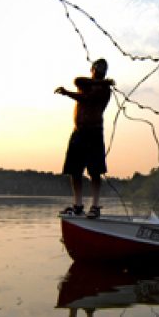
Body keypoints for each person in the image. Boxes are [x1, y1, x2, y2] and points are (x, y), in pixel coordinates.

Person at [55, 58, 113, 218]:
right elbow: (77, 80)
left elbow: (87, 99)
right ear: (92, 69)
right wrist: (102, 82)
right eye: (98, 66)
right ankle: (78, 205)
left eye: (104, 67)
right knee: (75, 171)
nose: (101, 69)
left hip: (94, 133)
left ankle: (95, 206)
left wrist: (67, 93)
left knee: (95, 171)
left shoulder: (105, 90)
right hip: (78, 132)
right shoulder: (87, 84)